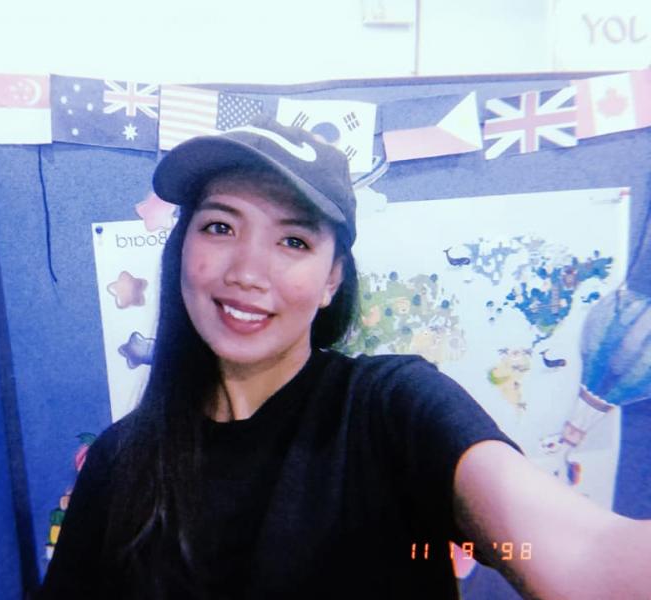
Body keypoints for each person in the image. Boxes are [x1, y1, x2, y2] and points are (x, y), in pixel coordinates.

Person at [39, 117, 651, 599]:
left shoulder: (393, 408)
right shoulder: (120, 461)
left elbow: (582, 554)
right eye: (220, 227)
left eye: (293, 240)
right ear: (181, 248)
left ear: (332, 279)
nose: (248, 271)